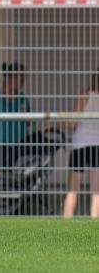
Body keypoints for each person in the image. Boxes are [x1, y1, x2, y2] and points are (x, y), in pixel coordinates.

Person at [63, 68, 99, 218]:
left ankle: (66, 224)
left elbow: (72, 124)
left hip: (79, 145)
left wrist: (56, 124)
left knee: (73, 190)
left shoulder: (84, 95)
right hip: (97, 146)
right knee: (96, 192)